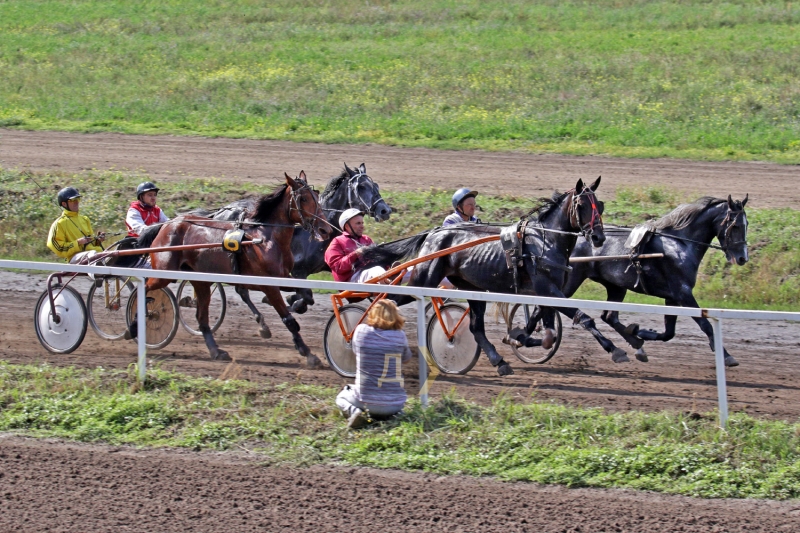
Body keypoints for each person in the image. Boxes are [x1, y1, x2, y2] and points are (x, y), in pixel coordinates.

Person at [336, 299, 412, 429]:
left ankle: (355, 412)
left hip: (364, 401)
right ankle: (396, 415)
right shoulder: (400, 336)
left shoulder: (360, 331)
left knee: (341, 397)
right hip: (394, 404)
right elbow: (406, 358)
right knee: (394, 404)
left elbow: (356, 351)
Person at [324, 208, 387, 284]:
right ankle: (391, 284)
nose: (362, 226)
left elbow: (374, 260)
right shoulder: (337, 242)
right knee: (376, 270)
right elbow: (337, 267)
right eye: (358, 223)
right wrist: (356, 254)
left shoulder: (366, 239)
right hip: (350, 280)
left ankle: (393, 278)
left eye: (362, 223)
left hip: (369, 274)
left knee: (404, 269)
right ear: (347, 226)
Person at [46, 187, 106, 264]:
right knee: (93, 254)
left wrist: (98, 240)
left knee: (114, 252)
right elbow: (58, 248)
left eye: (77, 199)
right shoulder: (59, 223)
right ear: (64, 204)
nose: (76, 202)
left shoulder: (84, 219)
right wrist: (77, 243)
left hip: (92, 254)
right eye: (73, 200)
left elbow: (91, 242)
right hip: (75, 258)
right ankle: (100, 272)